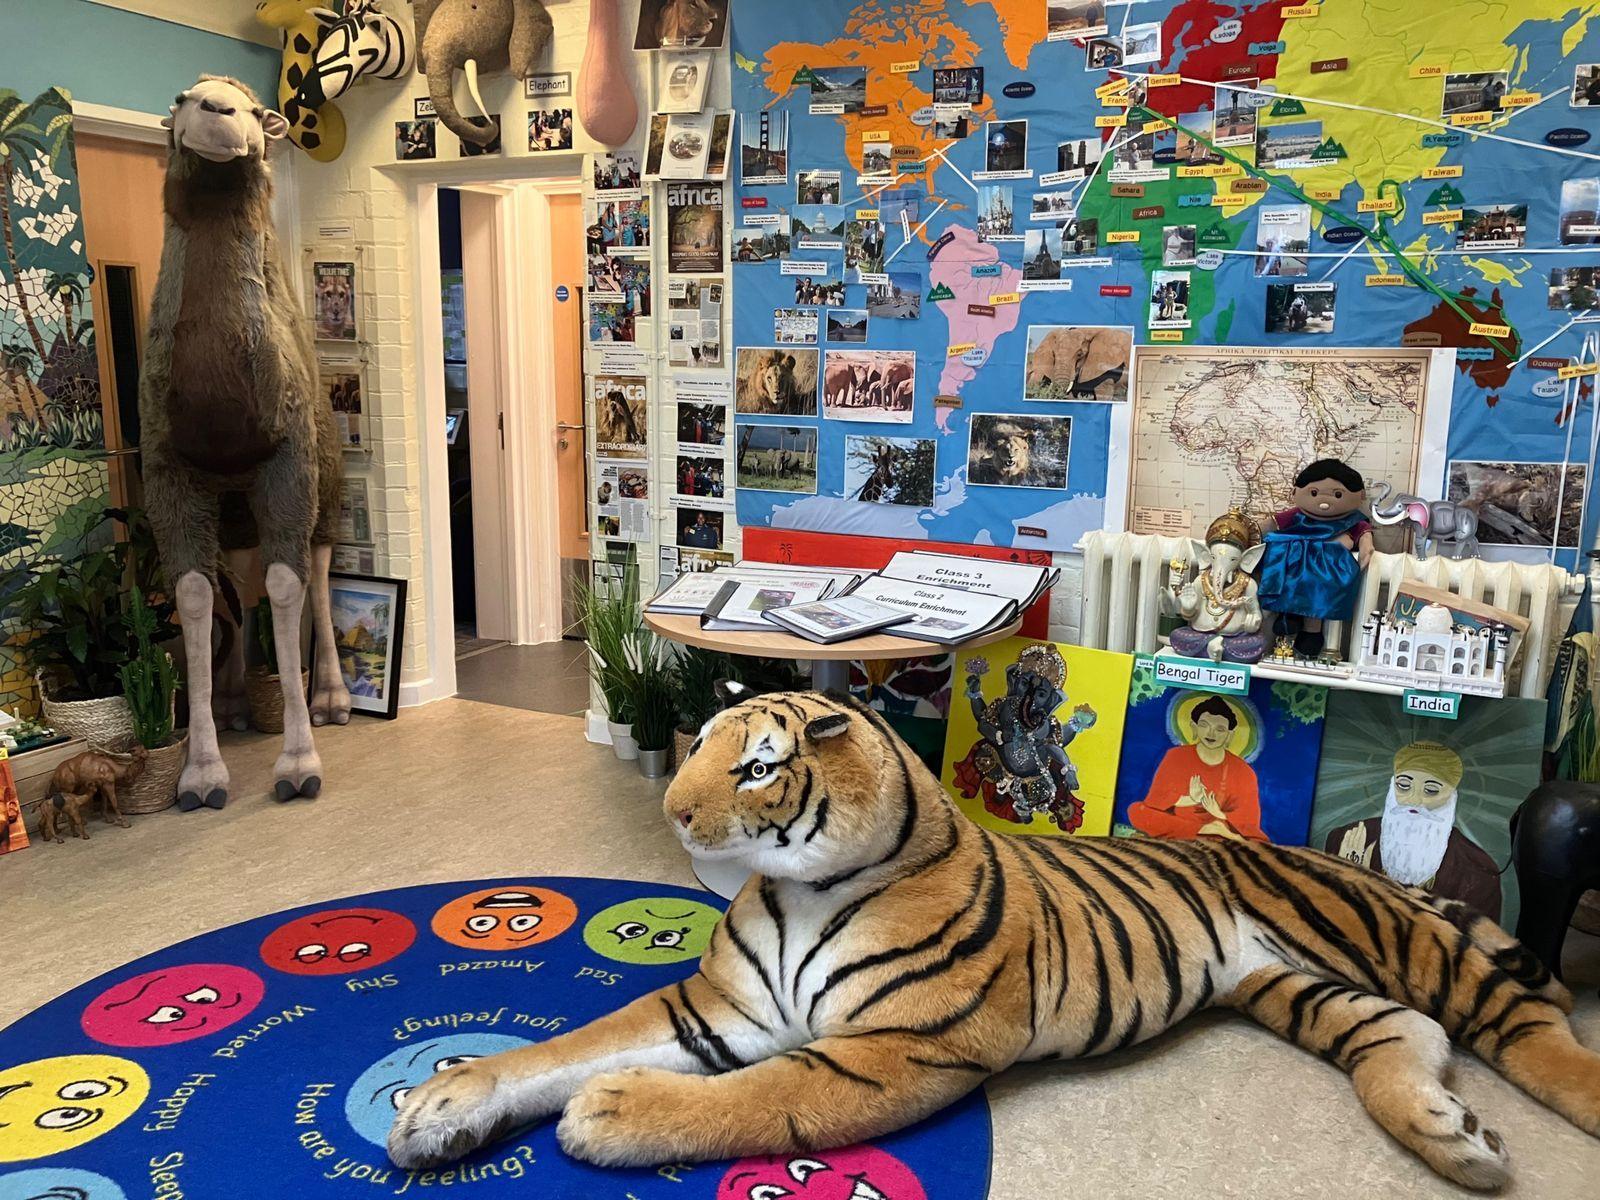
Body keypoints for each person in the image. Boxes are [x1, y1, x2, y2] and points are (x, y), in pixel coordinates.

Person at [1324, 741, 1502, 921]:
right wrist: (1343, 877)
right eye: (1403, 786)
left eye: (1431, 790)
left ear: (1452, 796)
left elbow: (1473, 946)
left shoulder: (1477, 870)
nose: (1414, 800)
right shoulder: (1345, 839)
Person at [1255, 458, 1373, 660]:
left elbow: (1364, 534)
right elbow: (1267, 525)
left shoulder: (1352, 520)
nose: (1325, 503)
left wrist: (1366, 546)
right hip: (1294, 563)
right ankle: (1288, 616)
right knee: (1289, 576)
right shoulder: (1296, 515)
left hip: (1324, 572)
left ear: (1359, 495)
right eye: (1314, 493)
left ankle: (1311, 631)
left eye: (1338, 494)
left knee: (1319, 593)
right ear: (1296, 492)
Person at [1126, 695, 1266, 841]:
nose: (1211, 734)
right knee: (1137, 811)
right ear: (1194, 727)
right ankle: (1203, 831)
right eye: (1204, 725)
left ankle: (1215, 834)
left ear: (1229, 735)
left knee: (1258, 841)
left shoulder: (1243, 771)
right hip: (1182, 824)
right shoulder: (1176, 757)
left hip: (1221, 827)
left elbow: (1249, 824)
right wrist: (1190, 799)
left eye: (1220, 729)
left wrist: (1219, 814)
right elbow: (1153, 803)